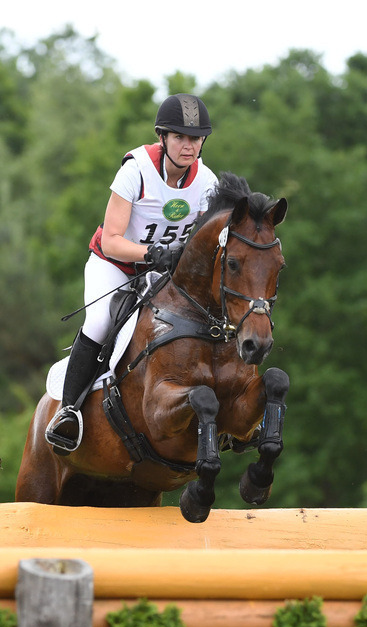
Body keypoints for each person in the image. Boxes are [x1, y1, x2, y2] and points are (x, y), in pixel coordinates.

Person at [45, 93, 220, 453]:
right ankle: (68, 412)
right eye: (180, 137)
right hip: (115, 266)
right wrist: (154, 252)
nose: (189, 146)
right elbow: (111, 241)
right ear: (163, 138)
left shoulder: (207, 183)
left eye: (196, 138)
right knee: (98, 323)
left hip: (166, 274)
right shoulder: (135, 170)